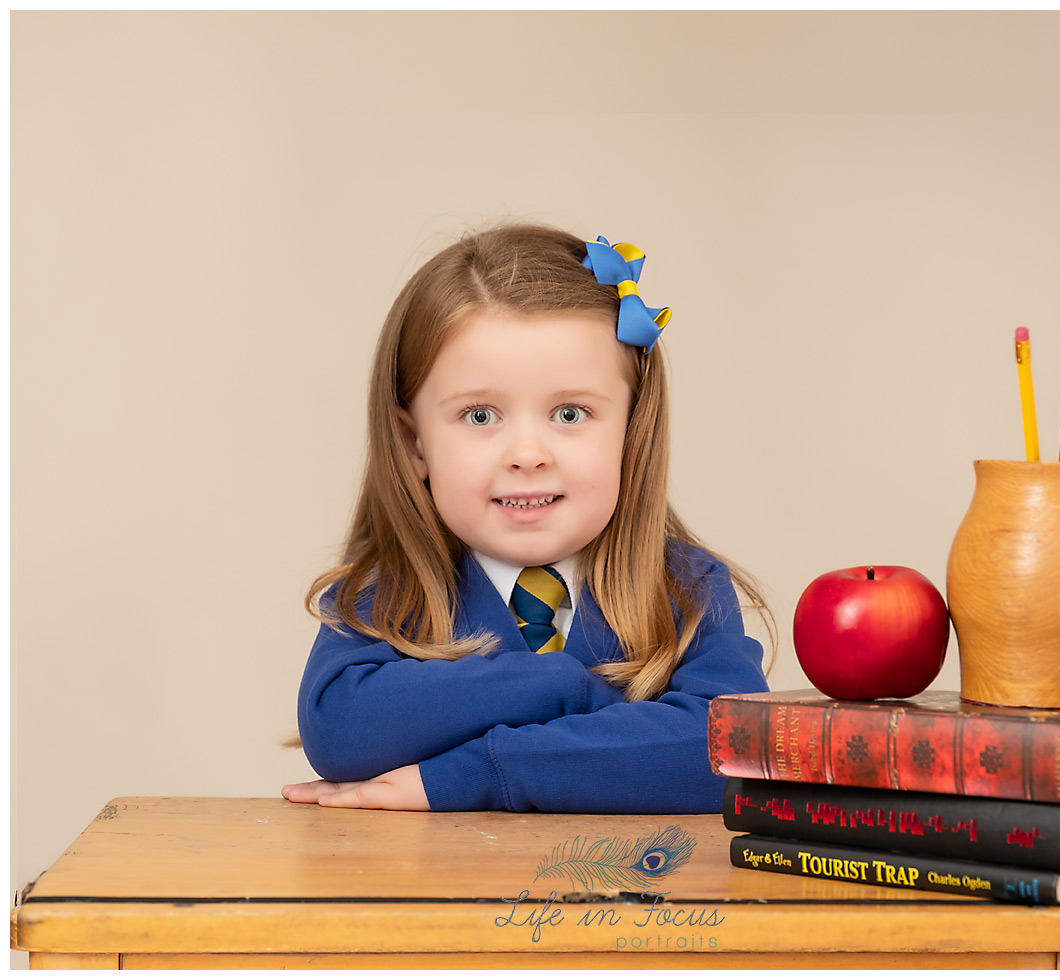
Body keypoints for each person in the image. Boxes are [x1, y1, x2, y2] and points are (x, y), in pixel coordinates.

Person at [281, 224, 771, 814]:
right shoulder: (384, 593)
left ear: (631, 432)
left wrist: (473, 774)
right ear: (414, 445)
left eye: (570, 412)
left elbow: (722, 750)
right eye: (481, 415)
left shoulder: (688, 589)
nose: (527, 453)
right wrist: (571, 688)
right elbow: (343, 731)